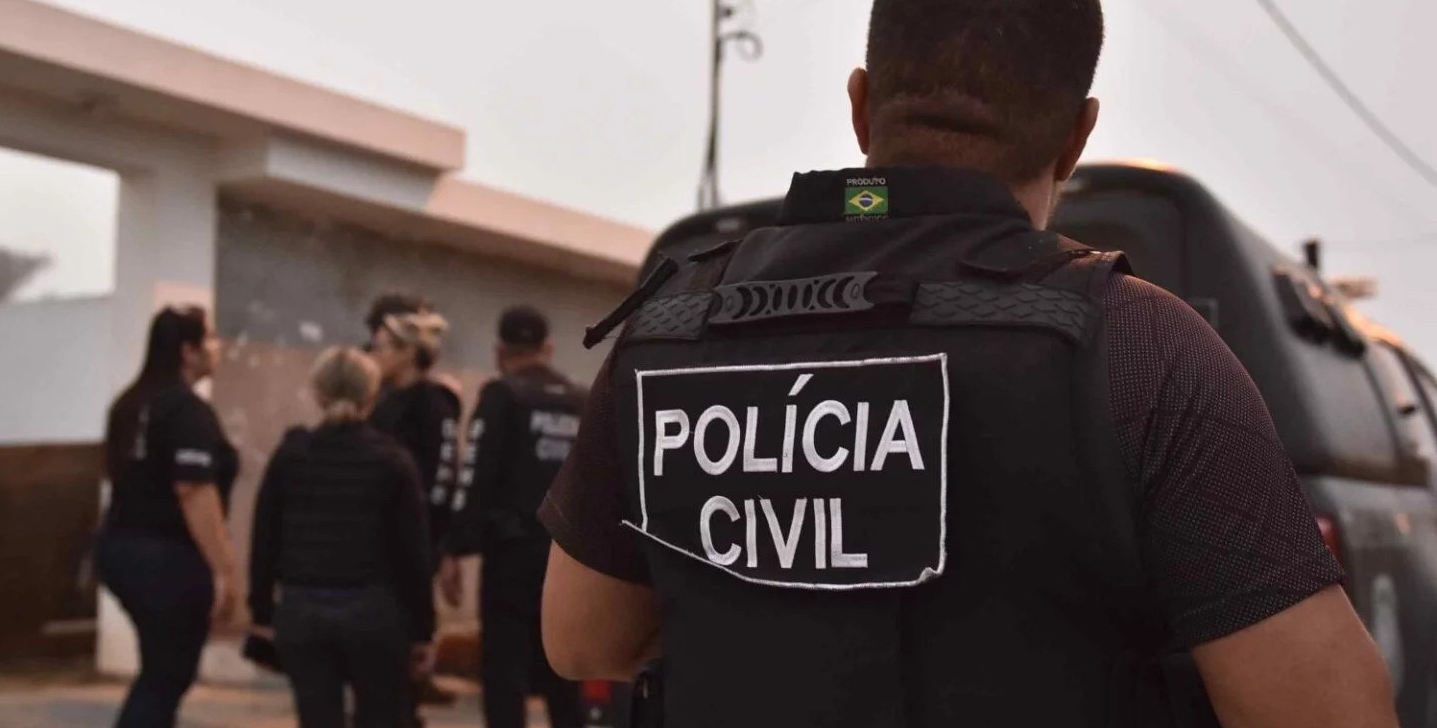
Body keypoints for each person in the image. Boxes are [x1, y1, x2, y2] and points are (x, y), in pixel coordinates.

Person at [535, 1, 1400, 726]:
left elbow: (580, 640)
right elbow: (1330, 713)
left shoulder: (677, 325)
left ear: (863, 107)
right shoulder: (1140, 347)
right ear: (1076, 136)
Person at [249, 347, 436, 728]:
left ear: (318, 394)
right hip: (375, 614)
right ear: (372, 394)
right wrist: (423, 630)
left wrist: (262, 610)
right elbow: (413, 553)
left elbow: (264, 536)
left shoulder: (291, 455)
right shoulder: (393, 460)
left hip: (303, 611)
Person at [444, 306, 586, 728]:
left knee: (504, 672)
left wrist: (454, 549)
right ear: (547, 348)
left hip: (510, 555)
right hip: (566, 556)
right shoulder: (582, 399)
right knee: (564, 670)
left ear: (499, 351)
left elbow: (475, 473)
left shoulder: (502, 395)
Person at [98, 306, 239, 728]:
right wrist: (226, 571)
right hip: (164, 560)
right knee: (167, 675)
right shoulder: (185, 410)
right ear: (188, 352)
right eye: (210, 340)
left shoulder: (127, 404)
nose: (218, 348)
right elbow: (193, 490)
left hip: (118, 548)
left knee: (161, 668)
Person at [362, 294, 464, 714]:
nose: (372, 354)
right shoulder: (378, 403)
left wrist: (439, 551)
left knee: (396, 685)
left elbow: (441, 483)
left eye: (380, 345)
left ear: (407, 352)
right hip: (370, 558)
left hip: (408, 556)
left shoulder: (433, 405)